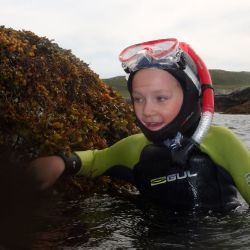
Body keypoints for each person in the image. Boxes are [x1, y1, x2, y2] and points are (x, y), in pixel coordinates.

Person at [30, 38, 250, 211]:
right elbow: (96, 158)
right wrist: (61, 162)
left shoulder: (221, 141)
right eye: (138, 99)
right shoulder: (135, 147)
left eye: (161, 98)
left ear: (191, 96)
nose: (147, 110)